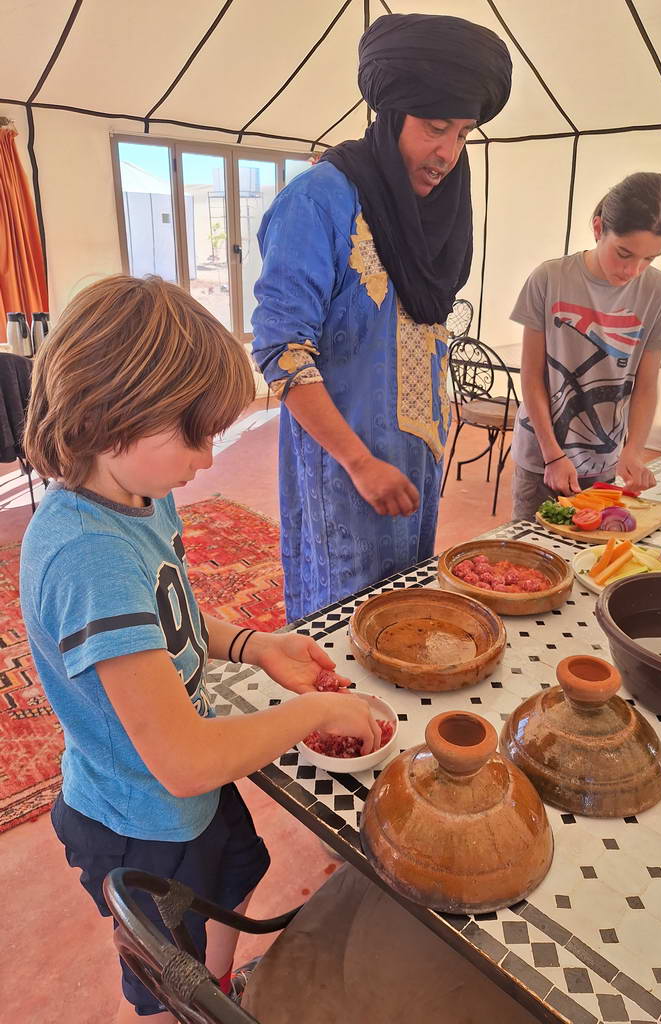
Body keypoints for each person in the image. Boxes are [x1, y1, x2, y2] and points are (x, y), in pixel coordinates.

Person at [19, 275, 380, 1022]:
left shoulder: (139, 492)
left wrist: (251, 645)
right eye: (195, 434)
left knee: (237, 878)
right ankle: (196, 1005)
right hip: (139, 825)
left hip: (184, 804)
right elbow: (182, 762)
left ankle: (215, 995)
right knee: (163, 978)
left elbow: (169, 611)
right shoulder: (86, 556)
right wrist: (308, 710)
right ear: (111, 415)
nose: (211, 457)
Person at [251, 13, 512, 621]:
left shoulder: (437, 209)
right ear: (392, 114)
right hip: (344, 461)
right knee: (343, 615)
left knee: (405, 609)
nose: (447, 154)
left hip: (414, 454)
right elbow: (280, 349)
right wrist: (359, 461)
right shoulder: (318, 201)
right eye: (434, 128)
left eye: (464, 134)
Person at [509, 171, 661, 522]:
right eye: (624, 253)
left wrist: (633, 451)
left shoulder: (659, 292)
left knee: (588, 559)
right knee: (528, 559)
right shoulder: (549, 278)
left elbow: (646, 385)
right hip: (541, 456)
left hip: (604, 458)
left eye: (650, 258)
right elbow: (531, 377)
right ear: (599, 228)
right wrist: (553, 455)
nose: (634, 270)